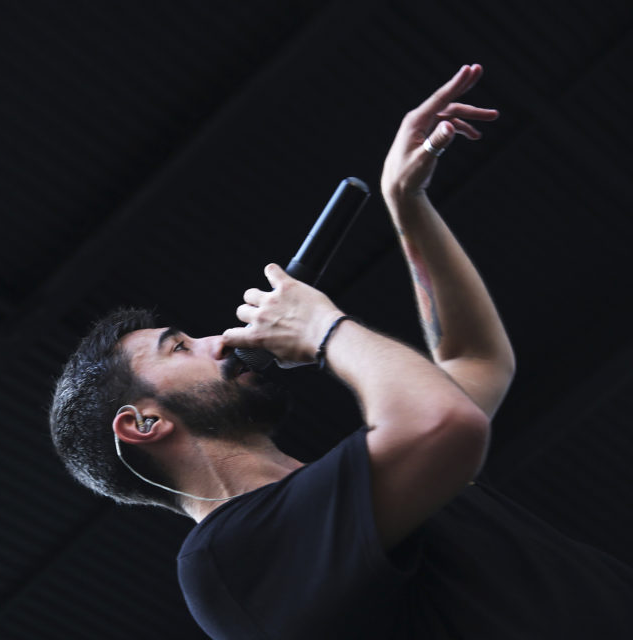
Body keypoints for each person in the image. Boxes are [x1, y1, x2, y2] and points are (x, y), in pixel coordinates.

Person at [49, 65, 633, 638]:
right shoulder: (227, 558)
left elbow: (475, 362)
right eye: (179, 347)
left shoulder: (357, 489)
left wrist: (407, 204)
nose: (219, 339)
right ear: (143, 422)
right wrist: (322, 329)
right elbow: (446, 420)